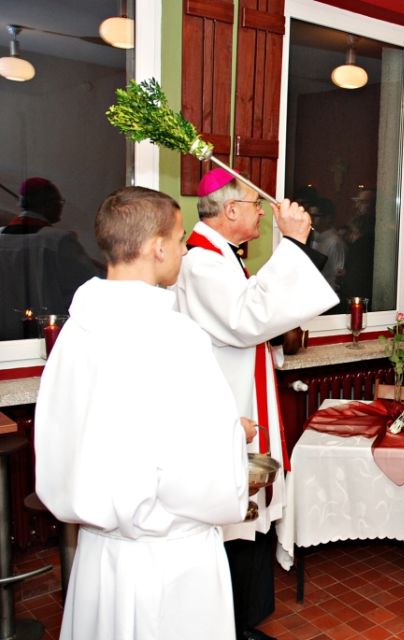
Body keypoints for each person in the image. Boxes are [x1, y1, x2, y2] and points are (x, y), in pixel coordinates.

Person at [35, 186, 251, 639]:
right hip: (170, 560)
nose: (184, 250)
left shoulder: (75, 330)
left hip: (99, 557)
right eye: (179, 238)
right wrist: (235, 435)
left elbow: (68, 433)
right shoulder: (175, 337)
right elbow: (199, 463)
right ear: (157, 247)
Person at [175, 168, 338, 640]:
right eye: (255, 205)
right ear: (229, 210)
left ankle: (243, 620)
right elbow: (249, 318)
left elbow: (255, 313)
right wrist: (296, 244)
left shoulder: (222, 257)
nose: (264, 213)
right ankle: (228, 626)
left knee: (247, 514)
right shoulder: (201, 264)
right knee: (234, 517)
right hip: (226, 408)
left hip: (241, 398)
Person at [0, 177, 102, 340]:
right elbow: (89, 286)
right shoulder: (58, 241)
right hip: (47, 334)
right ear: (45, 204)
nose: (60, 207)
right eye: (59, 202)